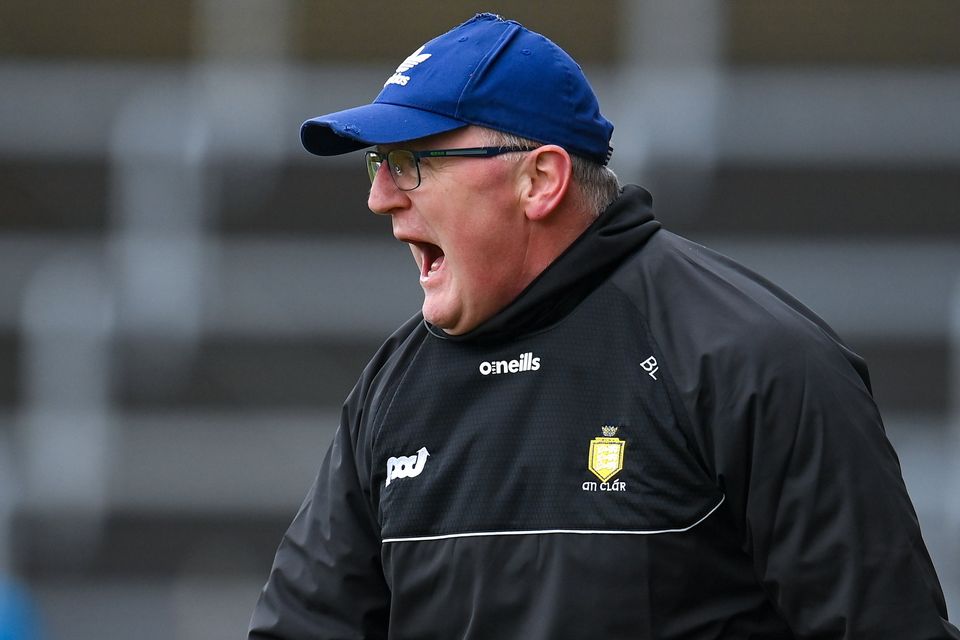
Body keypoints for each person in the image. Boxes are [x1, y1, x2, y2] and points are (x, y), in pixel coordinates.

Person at [249, 13, 959, 639]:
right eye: (378, 163)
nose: (378, 198)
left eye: (410, 162)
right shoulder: (394, 391)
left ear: (540, 180)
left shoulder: (755, 361)